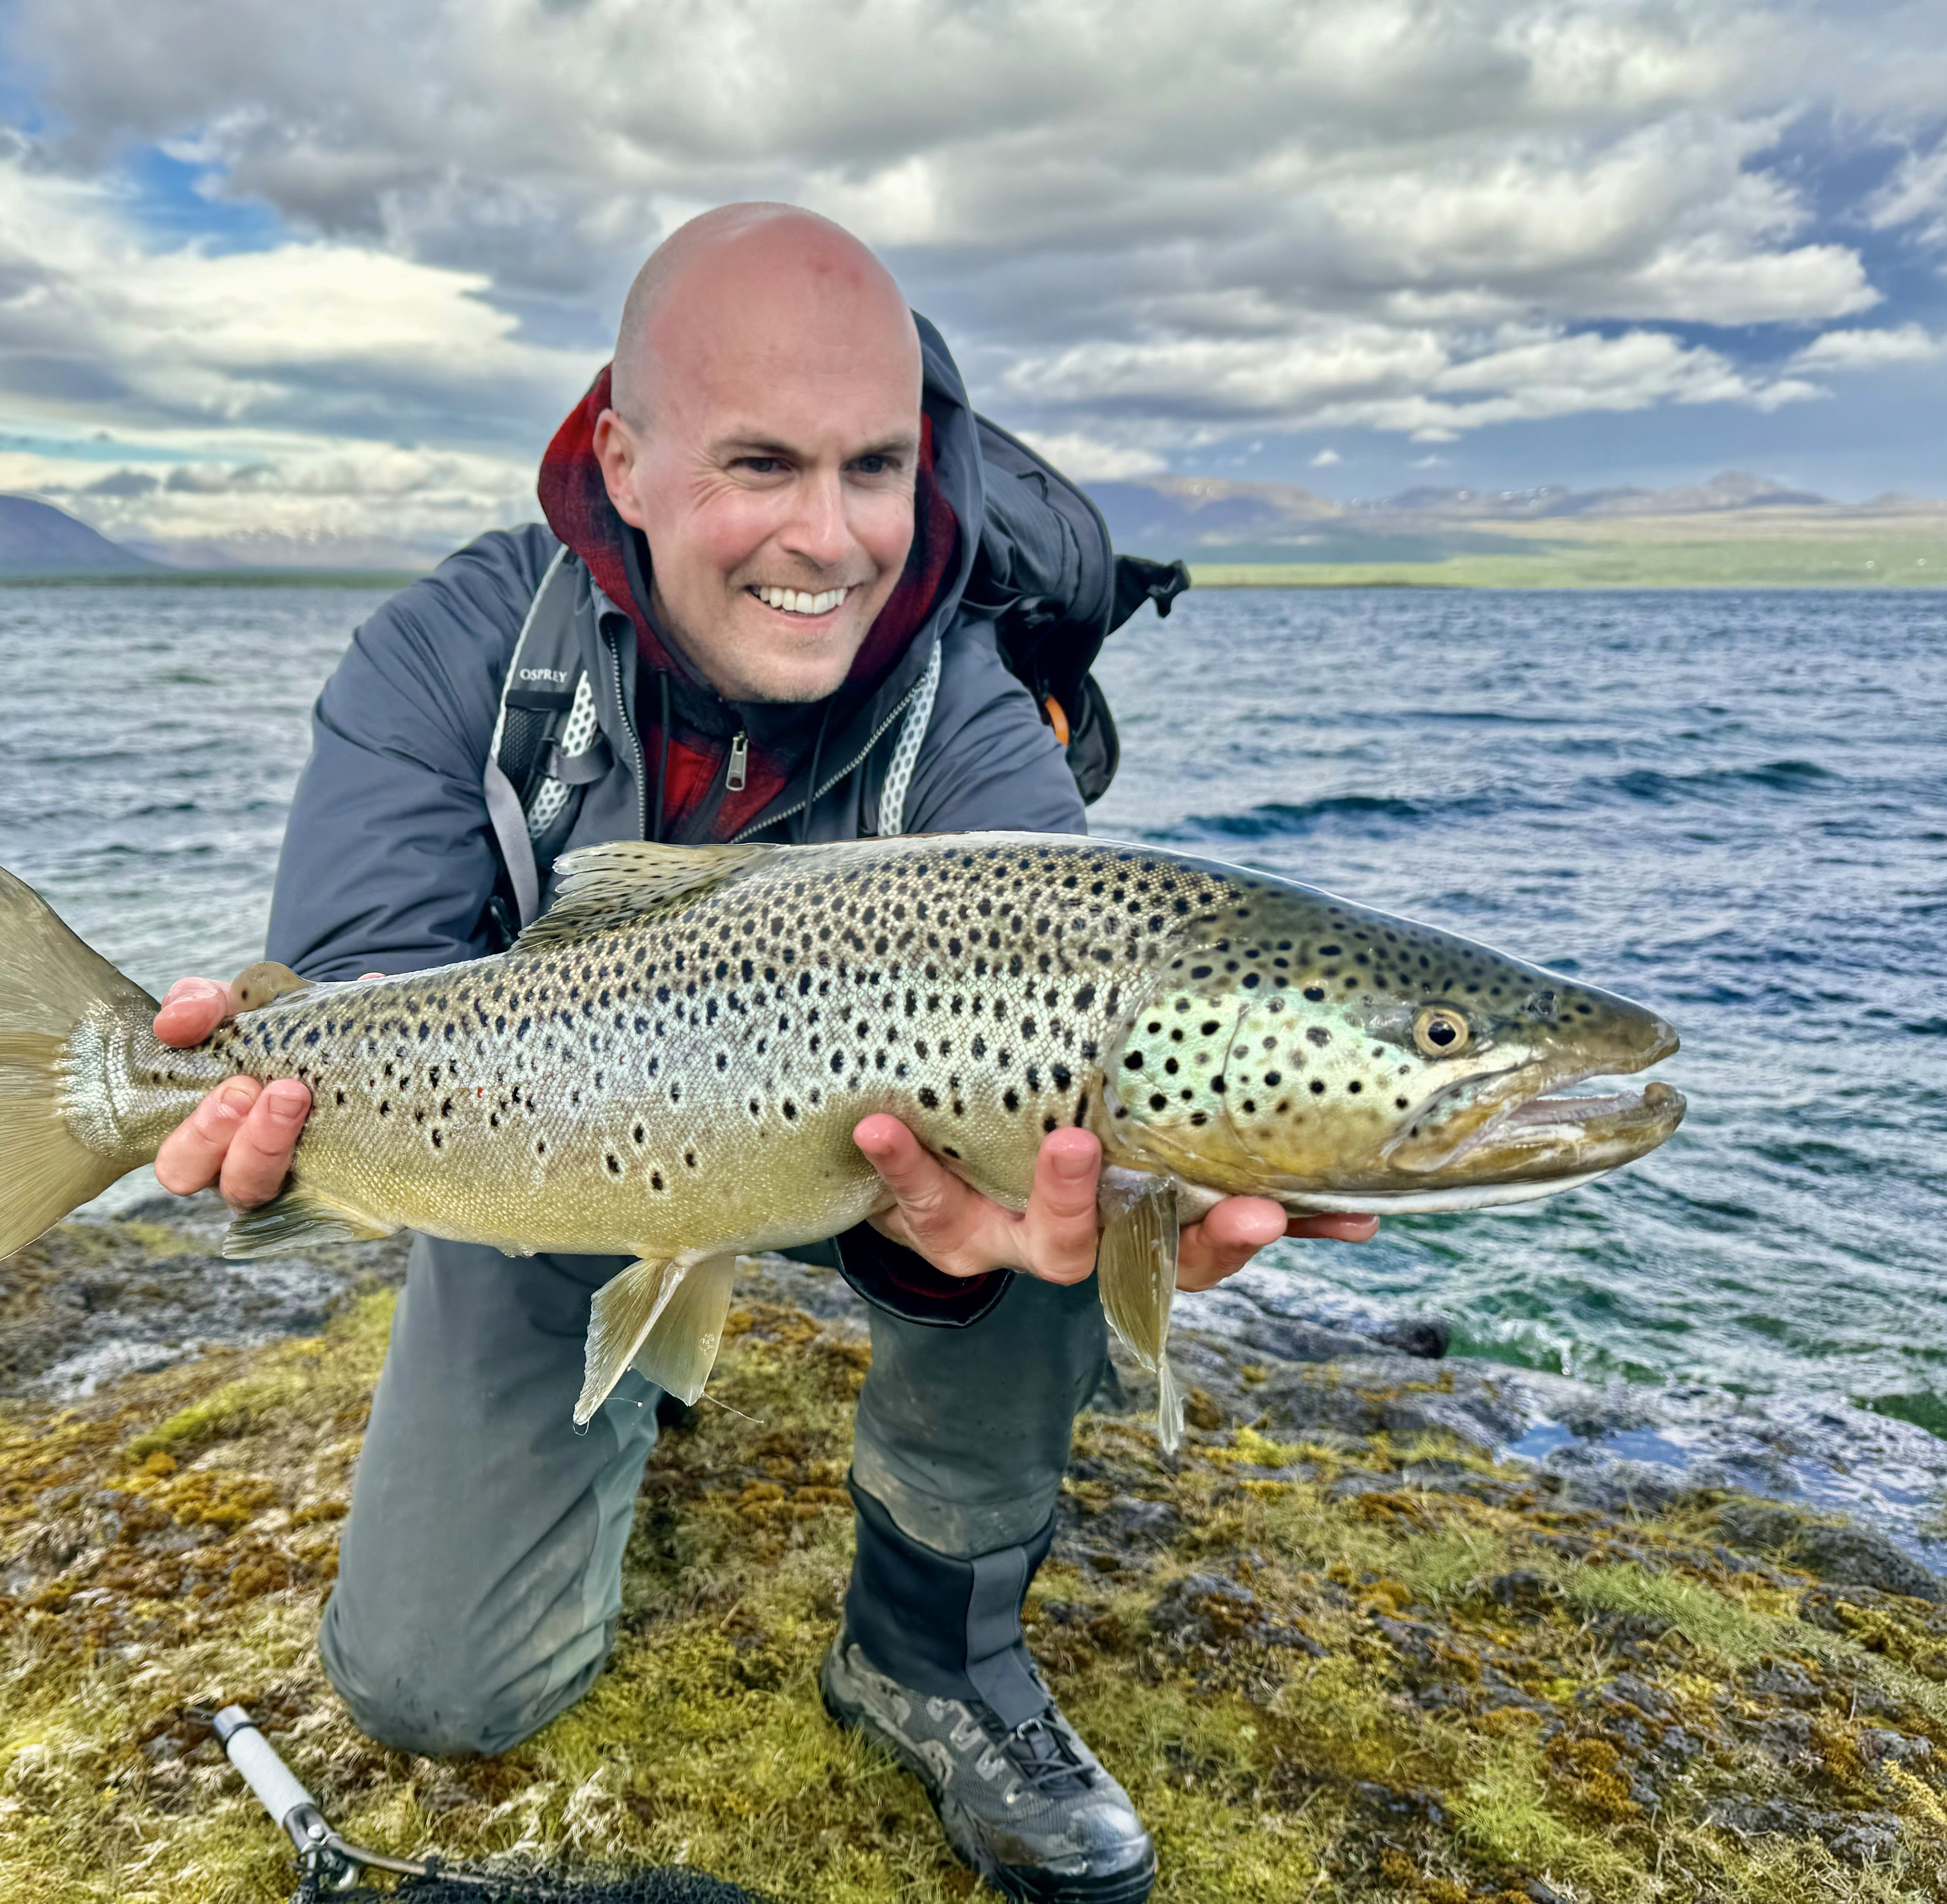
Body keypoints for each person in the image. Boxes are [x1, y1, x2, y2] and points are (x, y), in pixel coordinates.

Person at [148, 204, 1374, 1904]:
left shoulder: (966, 709)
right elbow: (364, 991)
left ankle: (932, 1652)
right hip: (551, 1157)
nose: (831, 536)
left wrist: (1004, 1260)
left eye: (875, 467)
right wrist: (263, 1128)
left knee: (1081, 1177)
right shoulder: (447, 659)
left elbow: (1090, 984)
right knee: (435, 1692)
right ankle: (643, 1373)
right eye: (760, 465)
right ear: (623, 460)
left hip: (875, 1155)